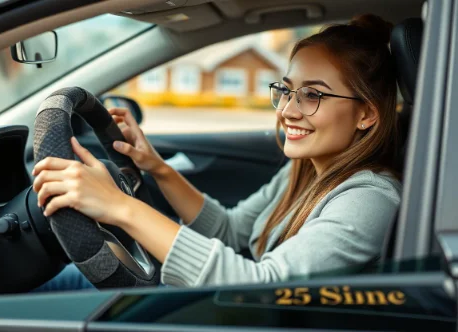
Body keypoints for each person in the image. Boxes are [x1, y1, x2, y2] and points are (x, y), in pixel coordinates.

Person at [31, 13, 402, 291]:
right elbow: (231, 230)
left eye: (313, 95)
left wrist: (120, 206)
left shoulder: (370, 200)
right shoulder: (306, 169)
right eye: (287, 90)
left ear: (367, 113)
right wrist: (157, 167)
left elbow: (262, 287)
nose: (287, 109)